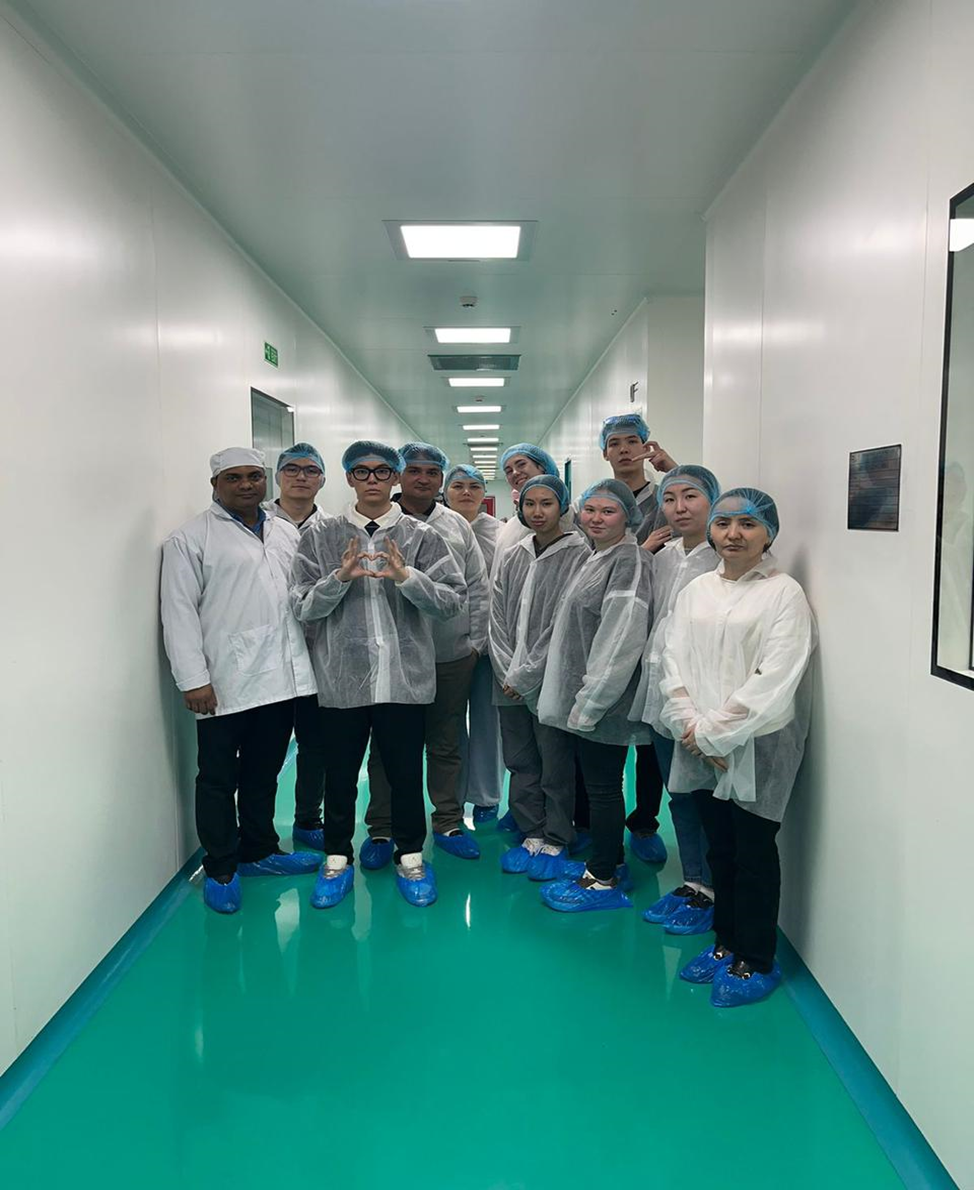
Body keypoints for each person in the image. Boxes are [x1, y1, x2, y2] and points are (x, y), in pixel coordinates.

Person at [289, 440, 466, 910]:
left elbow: (452, 601)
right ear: (349, 477)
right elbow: (301, 605)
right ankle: (336, 859)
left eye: (382, 471)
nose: (372, 480)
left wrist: (408, 578)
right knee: (340, 776)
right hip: (341, 680)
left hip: (403, 680)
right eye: (362, 471)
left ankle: (410, 857)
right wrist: (339, 579)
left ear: (395, 477)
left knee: (405, 774)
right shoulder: (321, 536)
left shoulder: (422, 537)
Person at [661, 489, 815, 1007]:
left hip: (757, 746)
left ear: (768, 533)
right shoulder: (697, 590)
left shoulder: (784, 594)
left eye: (747, 524)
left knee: (753, 853)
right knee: (719, 850)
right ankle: (725, 942)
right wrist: (691, 725)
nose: (733, 534)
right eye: (724, 523)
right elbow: (671, 658)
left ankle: (757, 957)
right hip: (699, 742)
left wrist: (713, 734)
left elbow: (777, 677)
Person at [161, 447, 320, 915]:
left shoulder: (285, 531)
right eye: (234, 478)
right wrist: (193, 680)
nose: (247, 485)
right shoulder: (191, 539)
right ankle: (221, 866)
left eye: (254, 476)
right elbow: (178, 612)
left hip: (281, 678)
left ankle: (259, 850)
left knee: (263, 772)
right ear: (215, 484)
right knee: (216, 777)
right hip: (222, 682)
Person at [364, 443, 487, 862]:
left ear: (441, 480)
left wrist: (474, 644)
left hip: (449, 653)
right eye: (413, 470)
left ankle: (448, 820)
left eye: (432, 472)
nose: (422, 478)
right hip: (392, 655)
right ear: (398, 475)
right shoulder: (379, 524)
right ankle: (381, 829)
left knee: (445, 741)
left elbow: (477, 587)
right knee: (385, 746)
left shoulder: (456, 526)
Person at [537, 480, 654, 910]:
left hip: (606, 700)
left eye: (608, 511)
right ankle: (610, 859)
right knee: (598, 784)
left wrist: (591, 702)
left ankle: (603, 878)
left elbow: (621, 637)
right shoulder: (598, 556)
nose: (596, 518)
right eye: (590, 510)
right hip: (589, 696)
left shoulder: (629, 560)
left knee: (603, 788)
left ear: (628, 516)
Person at [632, 465, 722, 935]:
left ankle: (713, 890)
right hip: (659, 693)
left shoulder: (722, 560)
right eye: (670, 499)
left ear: (713, 501)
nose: (679, 508)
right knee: (679, 795)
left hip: (700, 701)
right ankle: (692, 883)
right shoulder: (663, 557)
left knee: (706, 798)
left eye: (691, 497)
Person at [488, 475, 589, 877]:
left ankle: (557, 837)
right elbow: (496, 617)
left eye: (547, 503)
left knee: (555, 762)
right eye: (530, 504)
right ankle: (531, 830)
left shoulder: (580, 555)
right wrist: (506, 670)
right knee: (519, 759)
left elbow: (564, 623)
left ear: (562, 506)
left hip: (552, 679)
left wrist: (527, 674)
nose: (537, 512)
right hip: (507, 680)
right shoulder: (514, 555)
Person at [593, 413, 680, 868]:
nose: (624, 449)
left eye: (632, 441)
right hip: (608, 629)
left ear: (647, 447)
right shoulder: (599, 501)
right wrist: (637, 554)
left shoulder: (666, 496)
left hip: (656, 626)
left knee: (650, 737)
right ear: (604, 451)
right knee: (599, 731)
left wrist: (674, 470)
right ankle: (591, 823)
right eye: (615, 443)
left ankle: (645, 821)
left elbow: (703, 516)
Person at [263, 443, 331, 851]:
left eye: (310, 470)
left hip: (319, 653)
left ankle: (308, 819)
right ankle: (258, 831)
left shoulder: (333, 528)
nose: (301, 477)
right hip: (268, 653)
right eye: (292, 469)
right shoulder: (255, 522)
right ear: (278, 476)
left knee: (315, 744)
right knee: (266, 749)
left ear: (322, 479)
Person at [443, 464, 505, 824]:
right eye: (458, 486)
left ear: (483, 493)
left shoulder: (500, 533)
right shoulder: (435, 529)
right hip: (446, 643)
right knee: (448, 726)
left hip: (490, 645)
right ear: (446, 492)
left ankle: (486, 796)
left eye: (474, 486)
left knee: (487, 722)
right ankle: (450, 796)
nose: (466, 492)